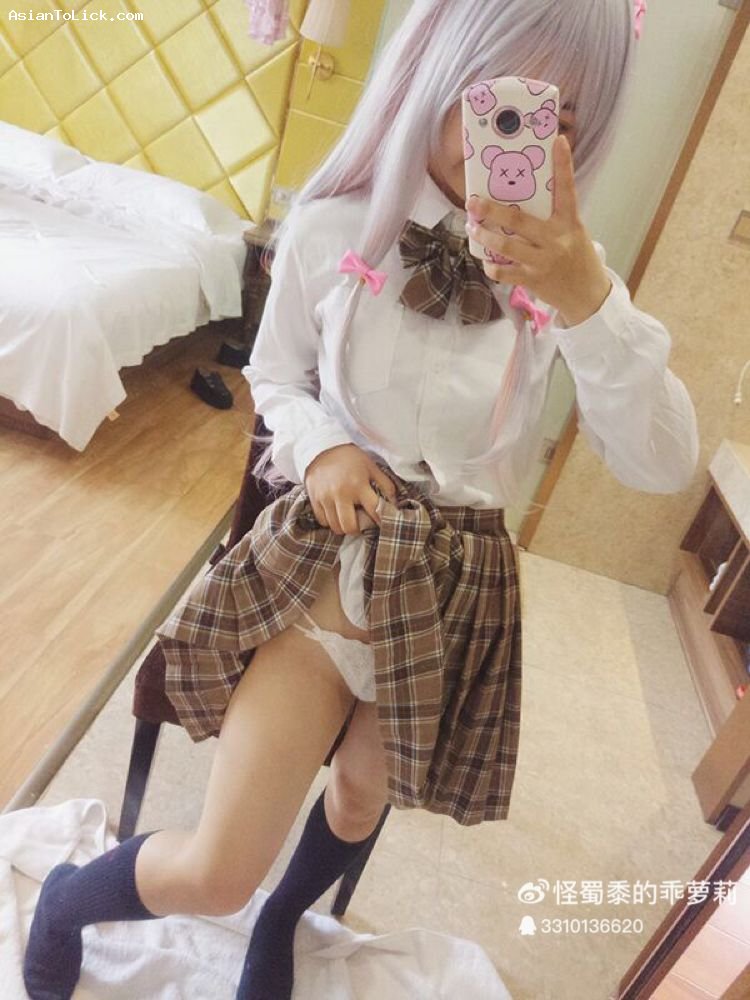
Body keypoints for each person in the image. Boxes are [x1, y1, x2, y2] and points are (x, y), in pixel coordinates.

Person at [23, 1, 699, 998]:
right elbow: (274, 373)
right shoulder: (337, 226)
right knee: (220, 866)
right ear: (433, 67)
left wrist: (588, 301)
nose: (512, 134)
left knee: (359, 795)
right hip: (330, 567)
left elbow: (663, 462)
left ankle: (285, 922)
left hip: (455, 590)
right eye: (495, 98)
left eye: (554, 117)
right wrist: (324, 447)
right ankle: (68, 898)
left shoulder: (568, 281)